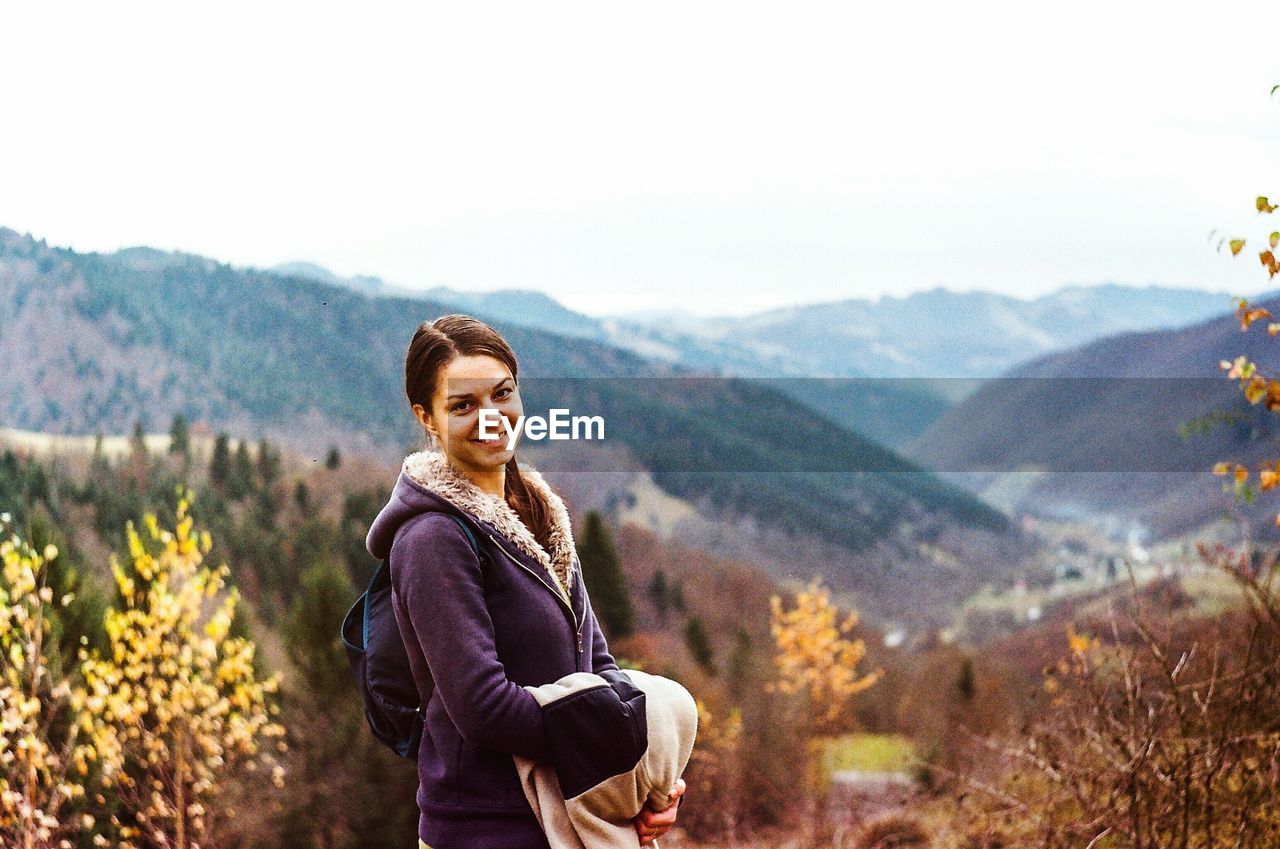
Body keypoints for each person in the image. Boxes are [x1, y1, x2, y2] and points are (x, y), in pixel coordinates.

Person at [365, 314, 686, 849]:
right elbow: (484, 708)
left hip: (575, 816)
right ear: (427, 417)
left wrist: (647, 784)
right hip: (487, 830)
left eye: (503, 394)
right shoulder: (432, 538)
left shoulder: (538, 515)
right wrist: (615, 743)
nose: (492, 418)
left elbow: (596, 666)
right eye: (463, 406)